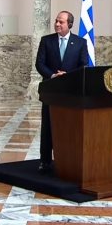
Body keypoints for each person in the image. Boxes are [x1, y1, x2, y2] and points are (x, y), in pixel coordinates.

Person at [35, 11, 89, 173]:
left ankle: (69, 159)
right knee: (48, 126)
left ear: (70, 25)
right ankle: (45, 161)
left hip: (71, 92)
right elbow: (40, 64)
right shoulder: (46, 41)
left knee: (69, 127)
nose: (57, 24)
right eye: (56, 21)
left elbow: (84, 65)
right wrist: (53, 75)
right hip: (51, 91)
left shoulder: (80, 43)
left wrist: (68, 76)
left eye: (61, 22)